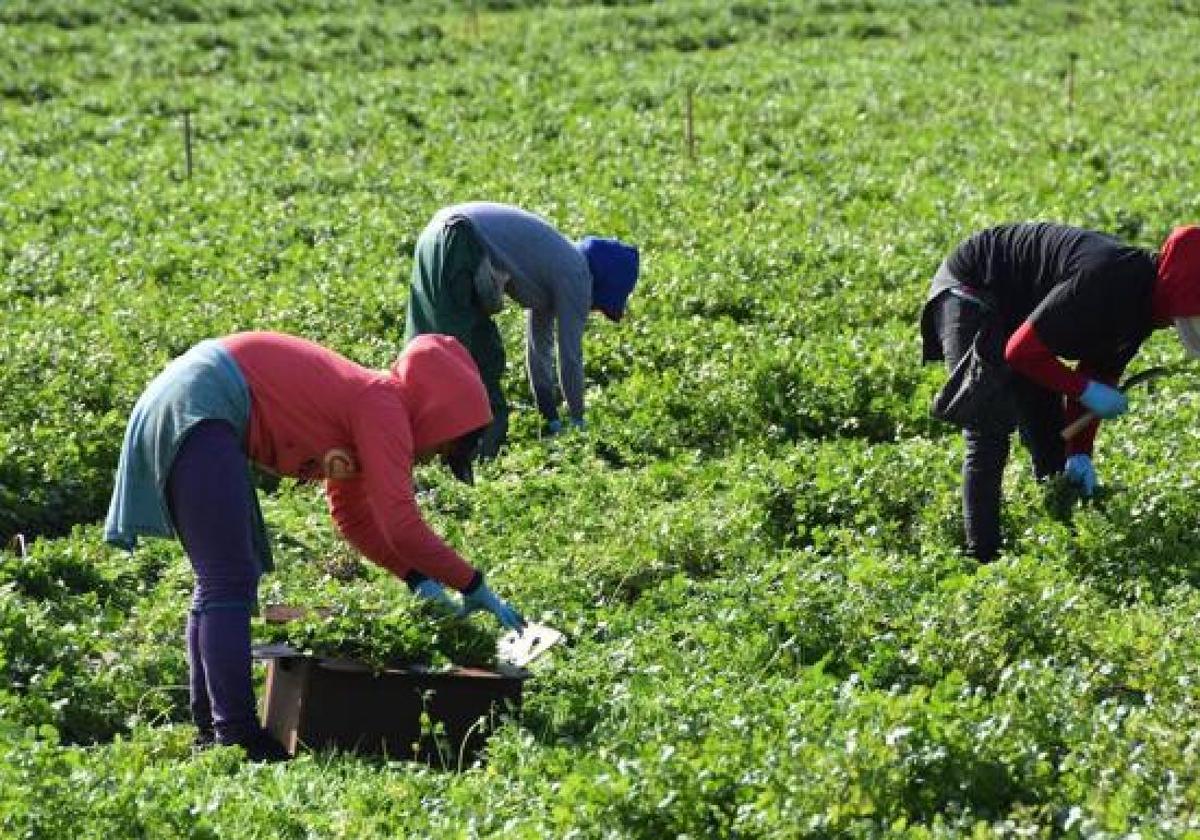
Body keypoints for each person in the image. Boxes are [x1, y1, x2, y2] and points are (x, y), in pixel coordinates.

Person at [104, 332, 526, 761]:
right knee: (228, 580)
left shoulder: (372, 410)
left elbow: (355, 518)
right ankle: (235, 735)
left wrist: (418, 579)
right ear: (439, 415)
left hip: (188, 398)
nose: (435, 458)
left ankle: (211, 729)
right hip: (201, 402)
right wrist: (471, 582)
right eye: (447, 447)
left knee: (223, 580)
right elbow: (401, 524)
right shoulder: (384, 407)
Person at [920, 223, 1200, 562]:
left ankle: (1061, 545)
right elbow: (1021, 353)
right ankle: (983, 560)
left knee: (1051, 439)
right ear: (1179, 287)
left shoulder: (1143, 310)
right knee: (988, 426)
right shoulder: (1109, 278)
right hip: (974, 289)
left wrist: (1079, 452)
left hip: (1021, 315)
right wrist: (1085, 391)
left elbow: (1098, 371)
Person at [405, 201, 640, 456]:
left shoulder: (553, 267)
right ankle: (459, 456)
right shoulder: (577, 274)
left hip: (437, 234)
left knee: (455, 352)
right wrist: (577, 421)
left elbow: (538, 351)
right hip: (458, 241)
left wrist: (549, 417)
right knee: (455, 362)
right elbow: (570, 356)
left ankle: (446, 449)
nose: (593, 310)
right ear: (603, 284)